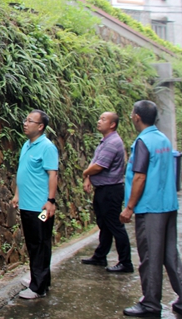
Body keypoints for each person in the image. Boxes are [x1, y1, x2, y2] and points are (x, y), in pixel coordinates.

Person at [120, 100, 182, 318]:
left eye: (132, 113)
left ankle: (151, 303)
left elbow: (140, 177)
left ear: (137, 117)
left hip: (150, 208)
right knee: (170, 254)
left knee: (150, 257)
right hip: (168, 205)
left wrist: (129, 207)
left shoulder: (143, 142)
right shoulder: (163, 139)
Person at [11, 109, 58, 299]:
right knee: (33, 243)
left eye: (30, 121)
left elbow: (52, 174)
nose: (25, 123)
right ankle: (38, 280)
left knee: (40, 243)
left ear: (40, 127)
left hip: (41, 207)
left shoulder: (47, 147)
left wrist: (50, 201)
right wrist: (16, 195)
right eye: (26, 119)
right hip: (27, 206)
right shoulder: (27, 145)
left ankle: (39, 288)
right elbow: (23, 172)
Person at [81, 112, 133, 273]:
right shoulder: (105, 141)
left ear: (112, 124)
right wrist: (89, 177)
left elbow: (99, 166)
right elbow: (95, 162)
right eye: (99, 117)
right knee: (104, 225)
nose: (99, 121)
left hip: (111, 191)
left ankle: (126, 262)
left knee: (115, 226)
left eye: (103, 119)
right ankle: (100, 256)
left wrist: (85, 173)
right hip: (104, 189)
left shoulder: (112, 143)